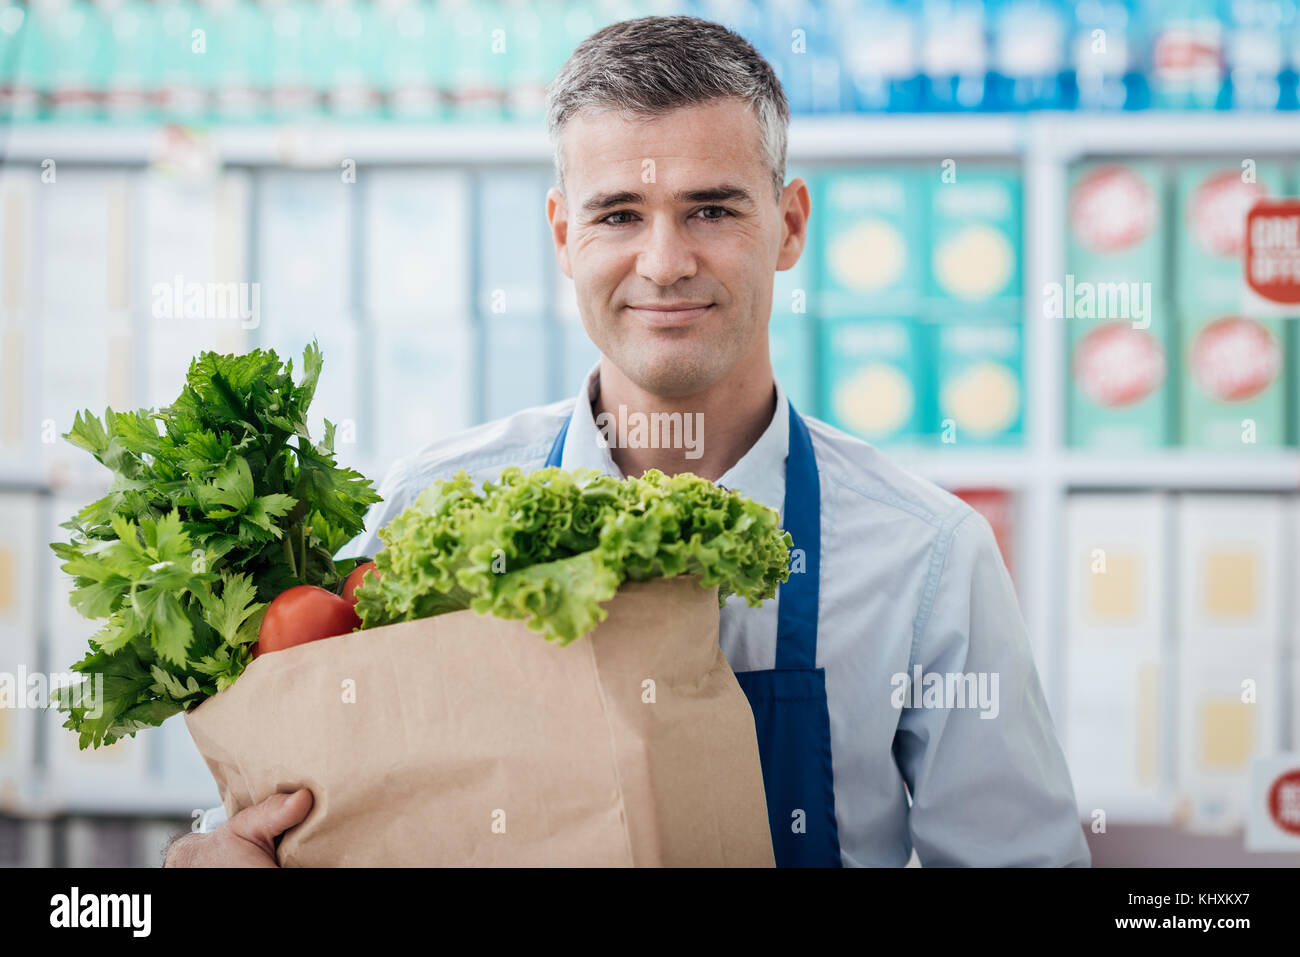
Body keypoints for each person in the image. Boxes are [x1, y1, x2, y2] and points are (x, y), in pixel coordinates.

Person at [167, 15, 1089, 868]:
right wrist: (220, 850)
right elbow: (294, 803)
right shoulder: (426, 507)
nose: (664, 262)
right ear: (564, 235)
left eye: (712, 210)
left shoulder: (926, 557)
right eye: (618, 215)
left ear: (791, 225)